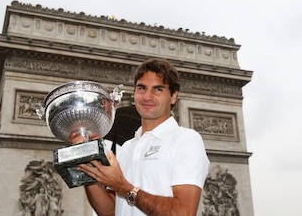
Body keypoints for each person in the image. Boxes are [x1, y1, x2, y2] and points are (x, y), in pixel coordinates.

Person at [71, 58, 210, 216]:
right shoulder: (127, 148)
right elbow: (110, 212)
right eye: (141, 88)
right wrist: (88, 167)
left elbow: (183, 213)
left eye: (158, 89)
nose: (147, 97)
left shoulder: (186, 140)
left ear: (173, 97)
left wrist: (123, 187)